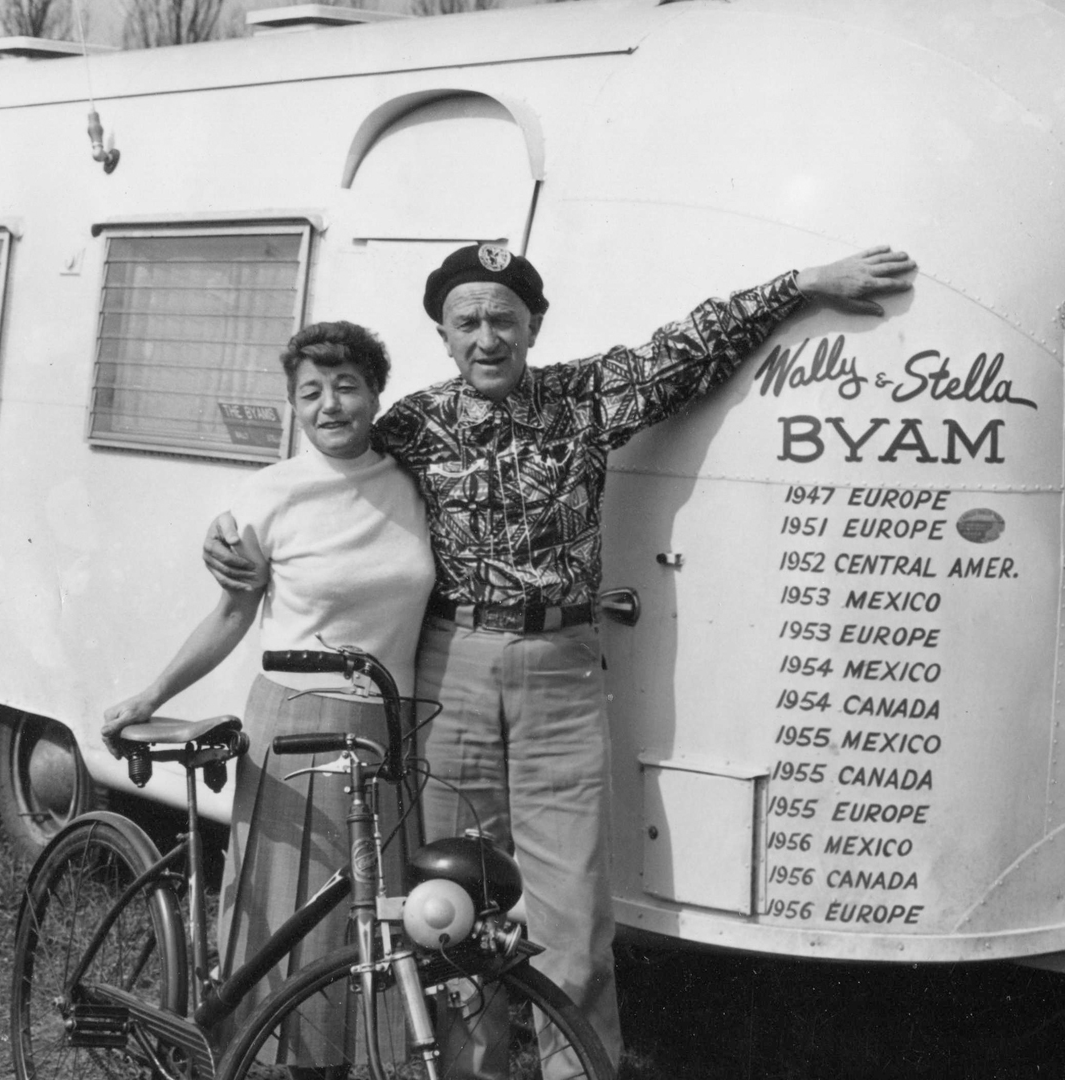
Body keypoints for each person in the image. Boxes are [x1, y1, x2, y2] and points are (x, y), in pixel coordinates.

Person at [207, 244, 917, 1076]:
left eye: (504, 319)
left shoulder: (585, 397)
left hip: (560, 666)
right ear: (442, 334)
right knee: (449, 905)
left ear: (533, 325)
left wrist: (802, 286)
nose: (487, 338)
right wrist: (231, 543)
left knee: (572, 916)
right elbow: (322, 483)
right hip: (449, 670)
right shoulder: (411, 425)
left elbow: (690, 345)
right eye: (467, 322)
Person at [106, 322, 434, 1063]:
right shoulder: (268, 494)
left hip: (391, 724)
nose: (330, 405)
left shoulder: (413, 485)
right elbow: (230, 615)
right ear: (292, 405)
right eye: (310, 392)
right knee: (295, 925)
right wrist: (151, 691)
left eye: (347, 386)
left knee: (377, 923)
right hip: (299, 723)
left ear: (376, 394)